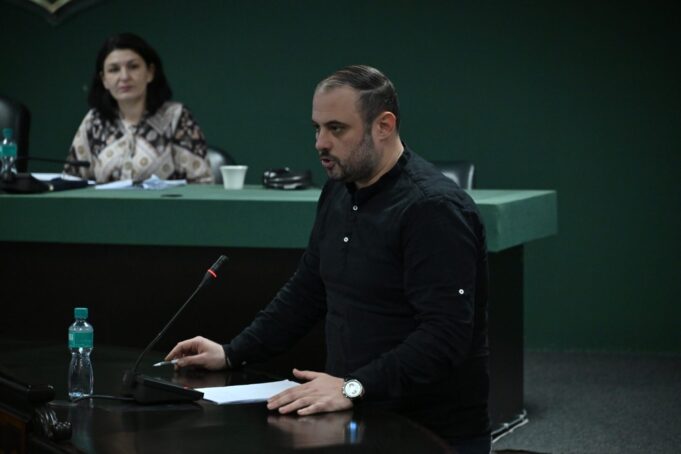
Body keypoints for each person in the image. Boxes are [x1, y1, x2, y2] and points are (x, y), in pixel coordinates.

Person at [166, 65, 491, 453]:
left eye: (336, 129)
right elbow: (308, 290)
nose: (321, 142)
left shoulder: (432, 209)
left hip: (429, 431)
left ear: (384, 126)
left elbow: (445, 335)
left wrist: (354, 386)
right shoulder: (339, 190)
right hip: (353, 414)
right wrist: (233, 352)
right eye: (317, 128)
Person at [63, 33, 213, 183]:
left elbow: (202, 182)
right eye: (114, 70)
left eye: (133, 67)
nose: (124, 77)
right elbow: (71, 180)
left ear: (150, 72)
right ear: (104, 80)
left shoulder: (175, 117)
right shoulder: (94, 121)